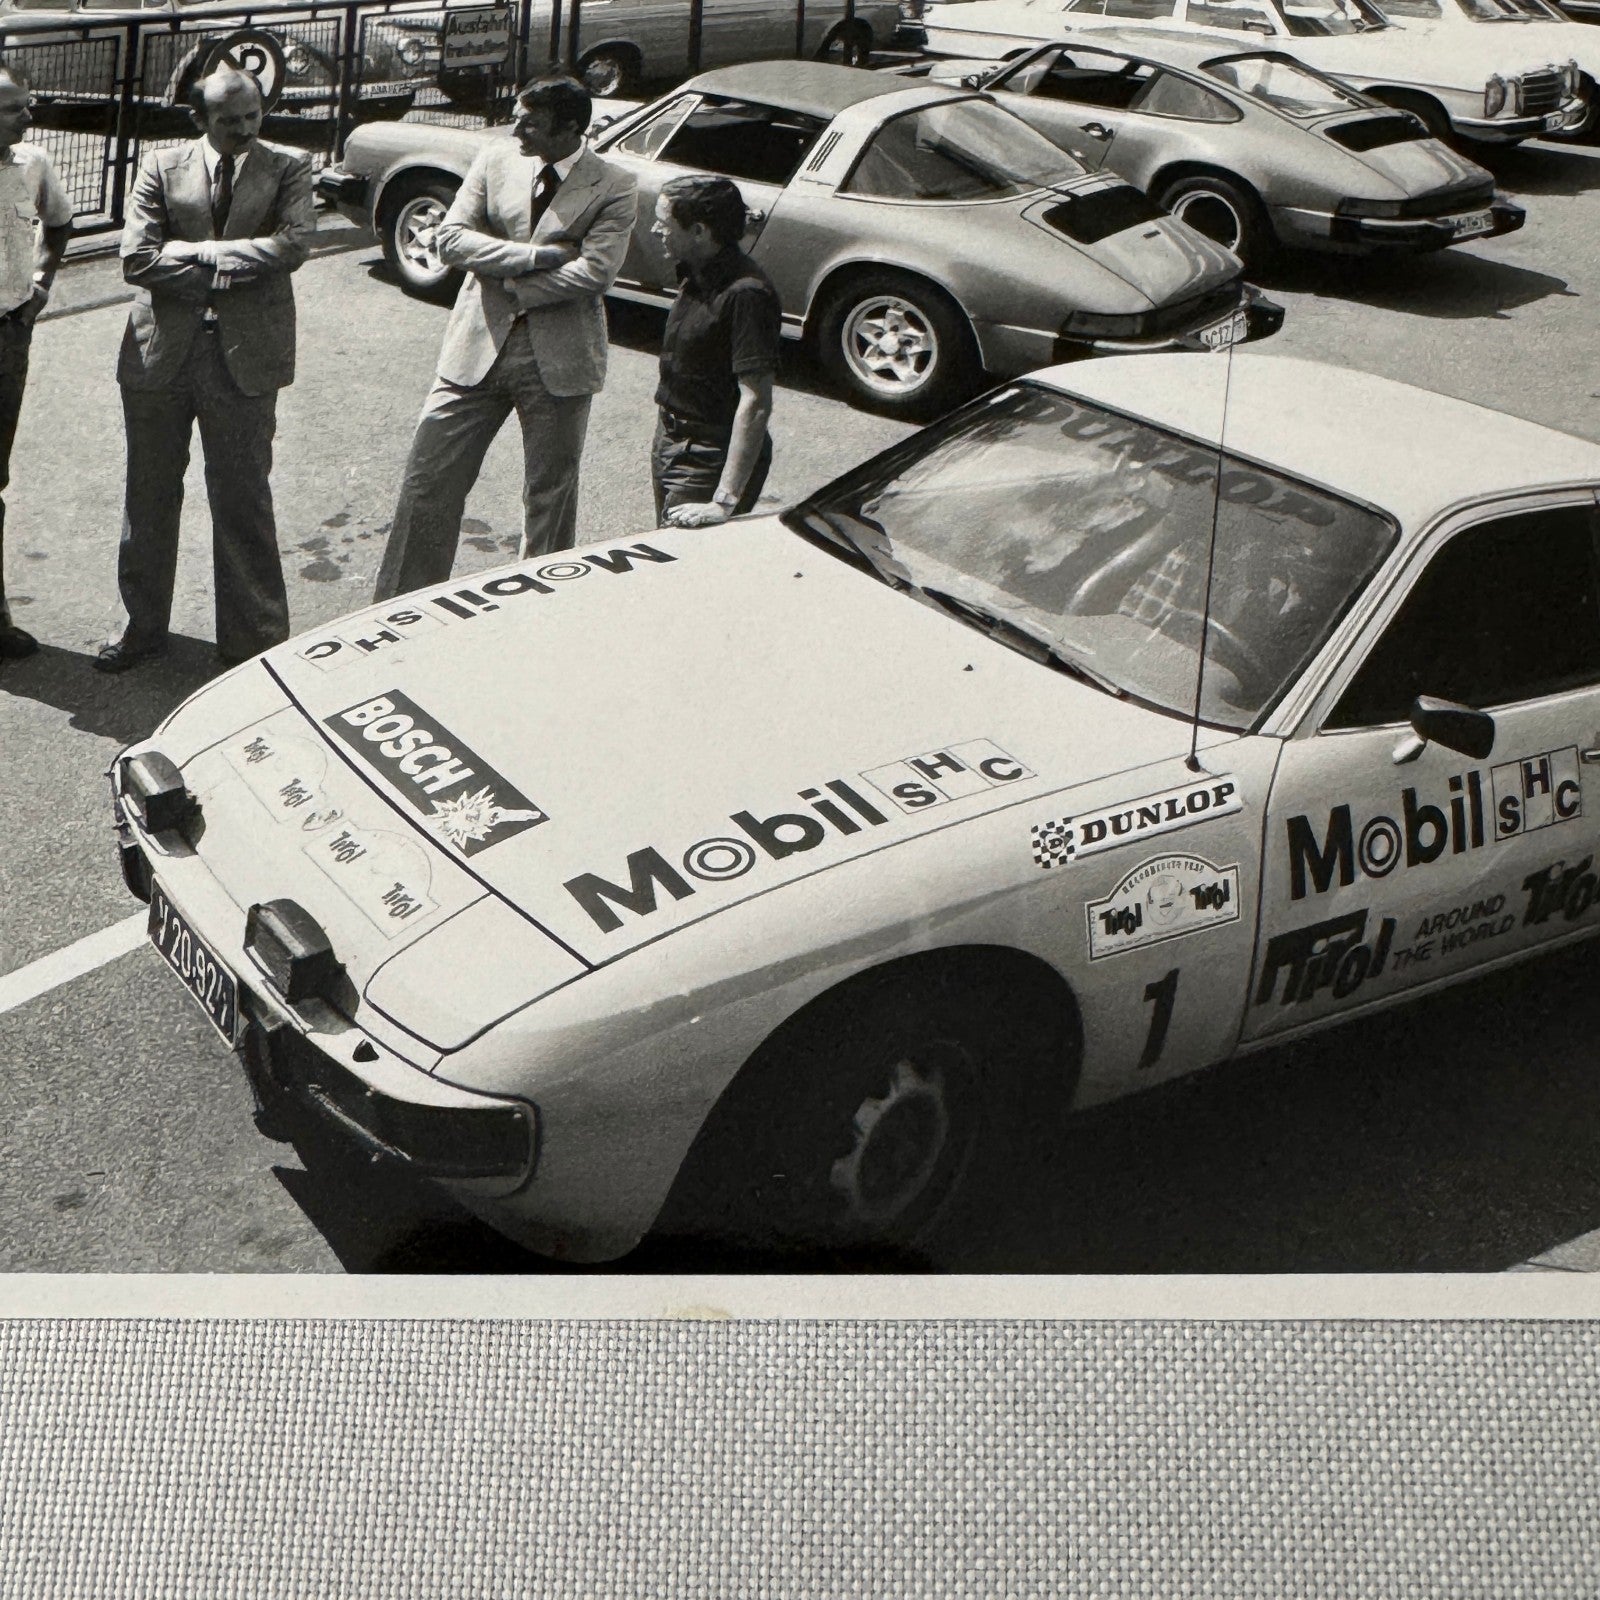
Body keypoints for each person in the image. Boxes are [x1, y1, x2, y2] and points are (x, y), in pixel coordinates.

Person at [373, 73, 638, 602]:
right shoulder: (496, 160)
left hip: (559, 361)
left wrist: (514, 289)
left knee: (548, 499)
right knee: (428, 482)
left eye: (531, 123)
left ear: (568, 129)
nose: (516, 128)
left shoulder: (614, 184)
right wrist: (534, 259)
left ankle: (533, 612)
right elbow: (449, 239)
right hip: (475, 348)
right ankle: (399, 606)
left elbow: (597, 273)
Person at [97, 66, 314, 674]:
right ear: (200, 120)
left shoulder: (289, 165)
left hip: (246, 359)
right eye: (228, 120)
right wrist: (237, 272)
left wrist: (201, 252)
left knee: (244, 496)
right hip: (160, 354)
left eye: (253, 116)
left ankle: (254, 643)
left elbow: (295, 246)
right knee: (149, 494)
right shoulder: (160, 165)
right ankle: (143, 629)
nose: (244, 129)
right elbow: (137, 258)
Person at [650, 174, 780, 530]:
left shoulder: (747, 295)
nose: (654, 231)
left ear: (699, 232)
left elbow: (756, 403)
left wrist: (723, 501)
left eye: (664, 224)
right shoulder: (695, 272)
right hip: (671, 438)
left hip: (706, 455)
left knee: (679, 565)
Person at [0, 67, 71, 668]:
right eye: (12, 109)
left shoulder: (33, 164)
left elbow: (61, 222)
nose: (27, 118)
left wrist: (42, 282)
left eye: (27, 105)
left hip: (7, 338)